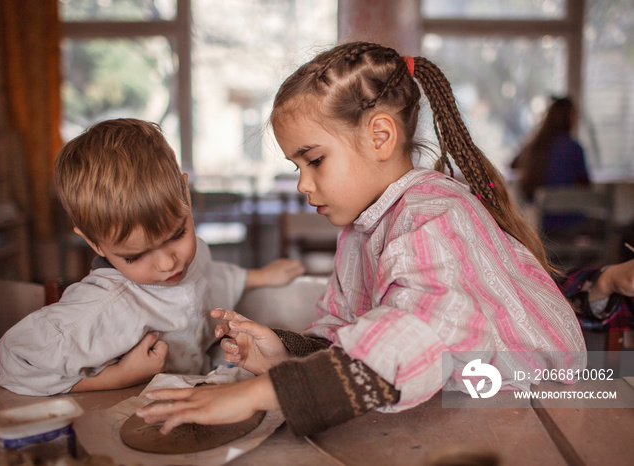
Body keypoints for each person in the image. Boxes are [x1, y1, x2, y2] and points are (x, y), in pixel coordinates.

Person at [135, 42, 586, 437]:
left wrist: (261, 393)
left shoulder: (434, 216)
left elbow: (416, 337)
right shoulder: (361, 229)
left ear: (381, 136)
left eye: (314, 160)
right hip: (470, 412)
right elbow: (353, 331)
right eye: (297, 167)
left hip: (545, 415)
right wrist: (285, 354)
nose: (303, 185)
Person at [0, 118, 304, 396]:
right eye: (136, 256)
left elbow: (210, 274)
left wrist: (260, 277)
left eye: (176, 235)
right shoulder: (102, 306)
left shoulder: (189, 259)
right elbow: (17, 359)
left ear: (185, 193)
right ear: (95, 244)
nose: (168, 263)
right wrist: (118, 376)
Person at [511, 96, 590, 235]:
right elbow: (585, 186)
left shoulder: (534, 147)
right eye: (575, 115)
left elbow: (513, 165)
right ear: (569, 117)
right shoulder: (573, 148)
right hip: (570, 219)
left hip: (542, 224)